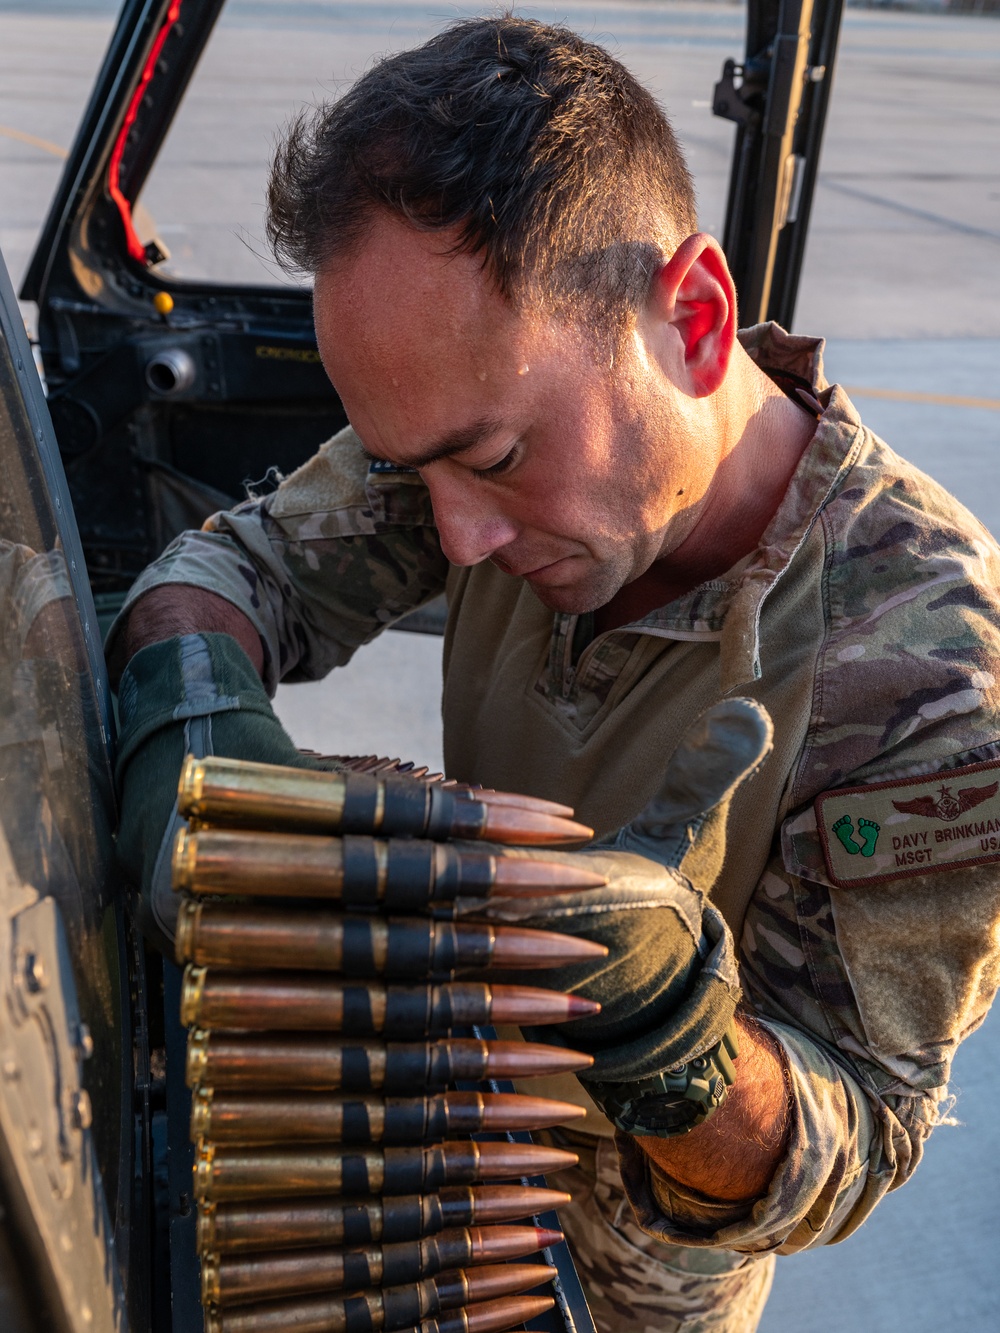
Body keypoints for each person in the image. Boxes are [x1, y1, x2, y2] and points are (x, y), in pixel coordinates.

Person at [107, 15, 1000, 1332]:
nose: (456, 533)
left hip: (615, 1291)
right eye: (421, 471)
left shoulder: (928, 665)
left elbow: (851, 1140)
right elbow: (242, 568)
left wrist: (676, 1036)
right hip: (412, 1173)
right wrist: (188, 701)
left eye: (498, 459)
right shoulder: (469, 424)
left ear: (691, 322)